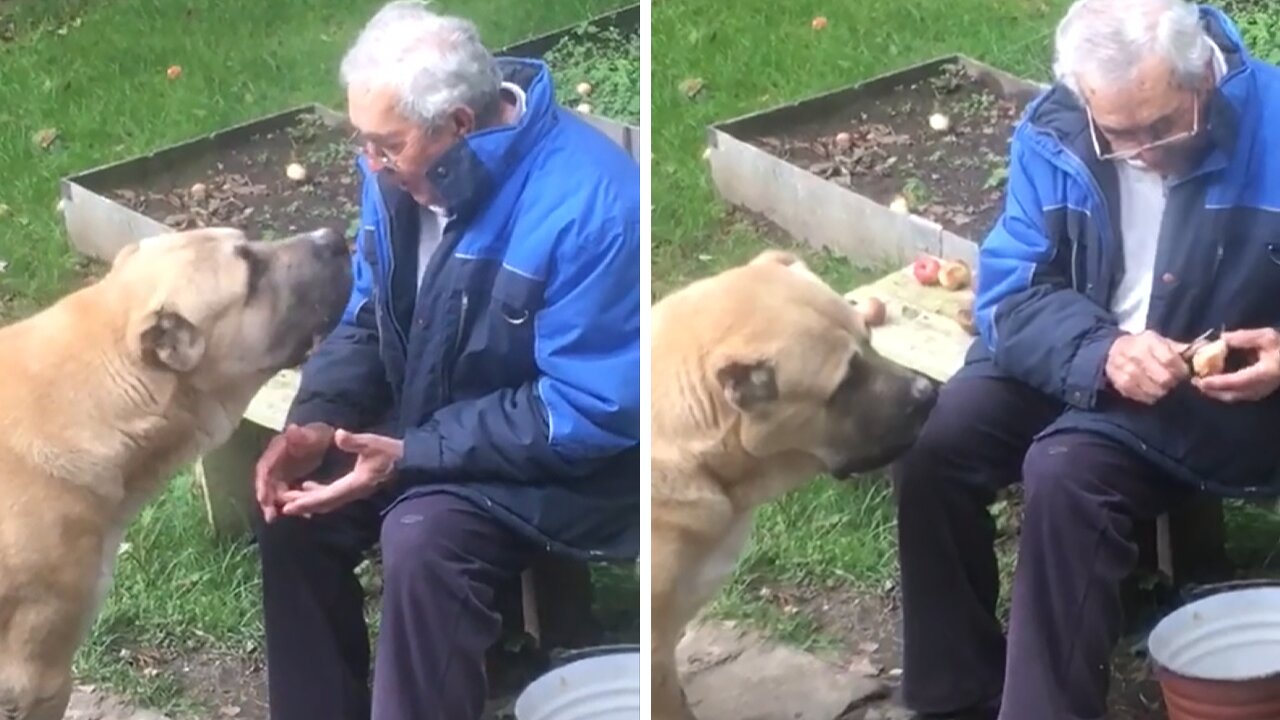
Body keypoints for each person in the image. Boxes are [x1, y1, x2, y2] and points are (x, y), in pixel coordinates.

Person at [248, 3, 641, 720]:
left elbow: (592, 408)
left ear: (459, 124)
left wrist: (413, 453)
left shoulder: (597, 205)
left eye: (385, 146)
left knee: (423, 539)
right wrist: (316, 420)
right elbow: (368, 313)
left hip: (556, 460)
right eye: (364, 142)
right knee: (289, 511)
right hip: (428, 416)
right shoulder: (399, 172)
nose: (371, 164)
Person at [892, 1, 1280, 719]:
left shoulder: (1274, 122)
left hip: (1222, 394)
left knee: (1067, 473)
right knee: (937, 446)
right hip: (1088, 349)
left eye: (1163, 125)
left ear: (1206, 80)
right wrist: (1102, 350)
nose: (1142, 152)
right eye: (1119, 134)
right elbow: (1010, 293)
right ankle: (955, 695)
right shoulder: (1056, 130)